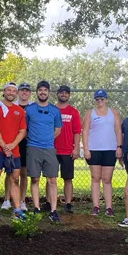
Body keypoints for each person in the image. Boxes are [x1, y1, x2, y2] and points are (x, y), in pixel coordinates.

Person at [0, 82, 28, 222]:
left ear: (16, 93)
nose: (11, 93)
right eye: (8, 90)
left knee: (15, 178)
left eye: (13, 91)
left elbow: (23, 130)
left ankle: (17, 209)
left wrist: (12, 145)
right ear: (4, 91)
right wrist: (4, 145)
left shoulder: (19, 110)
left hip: (13, 149)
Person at [25, 80, 62, 222]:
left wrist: (47, 139)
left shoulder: (54, 110)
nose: (42, 92)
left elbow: (58, 129)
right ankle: (36, 208)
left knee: (52, 179)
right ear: (37, 92)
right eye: (40, 90)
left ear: (49, 93)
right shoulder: (29, 109)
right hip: (33, 147)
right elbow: (25, 129)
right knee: (35, 178)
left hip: (49, 148)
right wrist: (35, 139)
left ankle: (53, 210)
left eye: (45, 90)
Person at [82, 89, 123, 217]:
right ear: (95, 100)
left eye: (102, 99)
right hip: (94, 149)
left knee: (107, 179)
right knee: (95, 178)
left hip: (110, 149)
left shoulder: (113, 113)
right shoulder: (90, 113)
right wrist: (86, 148)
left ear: (106, 99)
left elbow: (118, 130)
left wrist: (119, 146)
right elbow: (85, 131)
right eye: (97, 99)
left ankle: (109, 207)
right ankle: (96, 206)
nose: (100, 101)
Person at [2, 82, 32, 212]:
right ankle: (7, 199)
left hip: (26, 143)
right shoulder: (11, 106)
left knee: (23, 173)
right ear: (18, 92)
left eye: (27, 91)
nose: (24, 93)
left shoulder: (32, 108)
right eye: (22, 90)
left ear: (30, 93)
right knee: (10, 172)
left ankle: (22, 200)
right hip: (11, 143)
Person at [54, 84, 81, 214]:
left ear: (69, 95)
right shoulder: (52, 109)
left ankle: (68, 203)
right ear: (57, 94)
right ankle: (50, 202)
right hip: (52, 149)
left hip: (67, 150)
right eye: (61, 92)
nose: (63, 94)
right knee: (50, 178)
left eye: (66, 93)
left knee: (68, 178)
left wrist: (76, 148)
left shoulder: (73, 112)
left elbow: (77, 132)